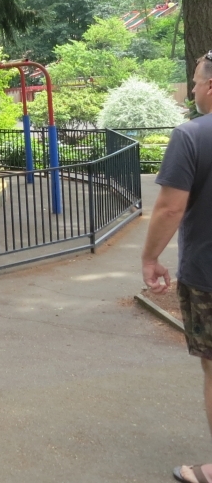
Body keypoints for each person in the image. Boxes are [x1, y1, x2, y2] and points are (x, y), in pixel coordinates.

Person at [142, 51, 212, 483]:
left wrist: (150, 258)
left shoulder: (191, 136)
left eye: (194, 80)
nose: (191, 88)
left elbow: (169, 208)